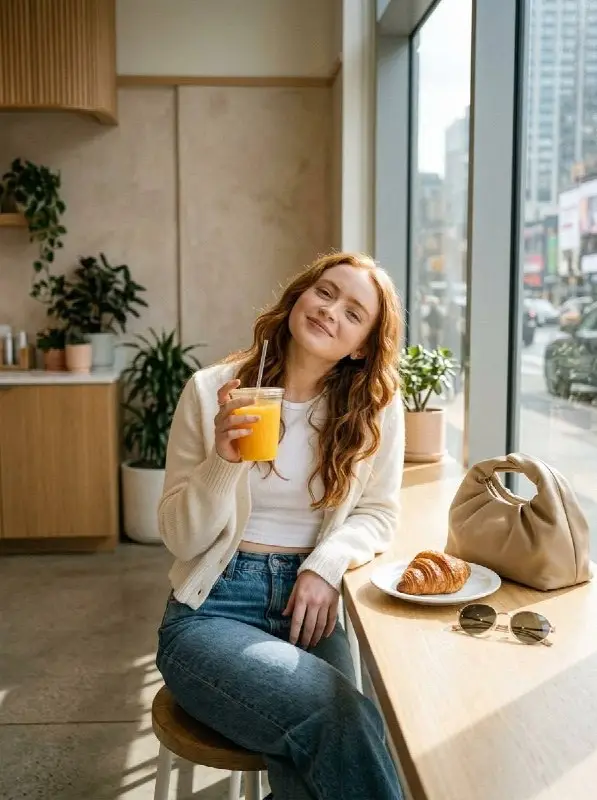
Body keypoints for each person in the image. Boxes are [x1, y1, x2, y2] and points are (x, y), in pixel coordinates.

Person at [156, 251, 406, 800]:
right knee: (342, 719)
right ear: (300, 295)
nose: (330, 310)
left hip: (307, 607)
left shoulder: (374, 410)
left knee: (329, 740)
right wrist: (223, 460)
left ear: (361, 344)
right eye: (325, 291)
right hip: (211, 609)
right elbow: (179, 538)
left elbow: (380, 512)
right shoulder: (210, 391)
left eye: (353, 311)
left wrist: (325, 564)